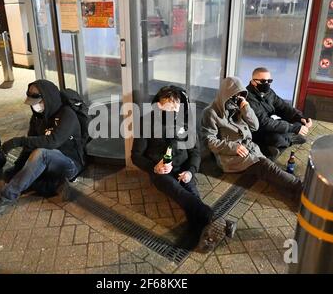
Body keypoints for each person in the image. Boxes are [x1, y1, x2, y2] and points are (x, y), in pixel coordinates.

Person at [132, 86, 234, 253]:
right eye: (168, 107)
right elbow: (136, 156)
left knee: (191, 194)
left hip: (183, 168)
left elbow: (195, 152)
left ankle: (205, 236)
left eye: (176, 107)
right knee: (179, 192)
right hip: (160, 172)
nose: (173, 111)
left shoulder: (185, 123)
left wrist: (191, 171)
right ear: (158, 105)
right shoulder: (146, 123)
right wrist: (154, 167)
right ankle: (216, 219)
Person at [0, 80, 85, 219]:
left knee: (41, 153)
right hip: (46, 163)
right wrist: (17, 167)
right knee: (11, 175)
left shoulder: (67, 115)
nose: (35, 107)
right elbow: (29, 145)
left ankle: (7, 198)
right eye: (33, 104)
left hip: (69, 163)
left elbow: (52, 142)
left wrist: (17, 141)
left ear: (48, 98)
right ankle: (54, 184)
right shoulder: (37, 118)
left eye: (38, 102)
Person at [202, 76, 303, 202]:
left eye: (240, 95)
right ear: (226, 94)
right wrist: (234, 147)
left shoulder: (237, 106)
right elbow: (208, 141)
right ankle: (301, 188)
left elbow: (255, 126)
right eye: (235, 95)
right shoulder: (211, 112)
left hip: (249, 147)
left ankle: (293, 193)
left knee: (269, 169)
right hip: (231, 155)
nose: (237, 98)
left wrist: (245, 107)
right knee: (266, 166)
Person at [246, 67, 313, 160]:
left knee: (297, 124)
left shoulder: (269, 92)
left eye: (269, 81)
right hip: (256, 131)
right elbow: (264, 123)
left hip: (268, 125)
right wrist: (294, 128)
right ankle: (272, 146)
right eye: (263, 81)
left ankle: (278, 145)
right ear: (253, 82)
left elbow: (283, 107)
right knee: (277, 138)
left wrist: (300, 118)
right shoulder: (248, 98)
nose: (267, 84)